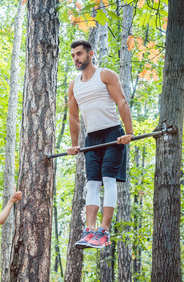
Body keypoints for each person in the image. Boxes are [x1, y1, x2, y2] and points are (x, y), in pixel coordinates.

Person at [67, 39, 134, 249]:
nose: (76, 58)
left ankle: (103, 231)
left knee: (108, 179)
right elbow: (74, 117)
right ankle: (90, 231)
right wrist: (74, 144)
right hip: (92, 139)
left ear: (90, 54)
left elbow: (122, 102)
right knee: (92, 183)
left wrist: (129, 132)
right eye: (73, 56)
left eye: (79, 54)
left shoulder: (105, 75)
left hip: (113, 134)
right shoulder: (74, 85)